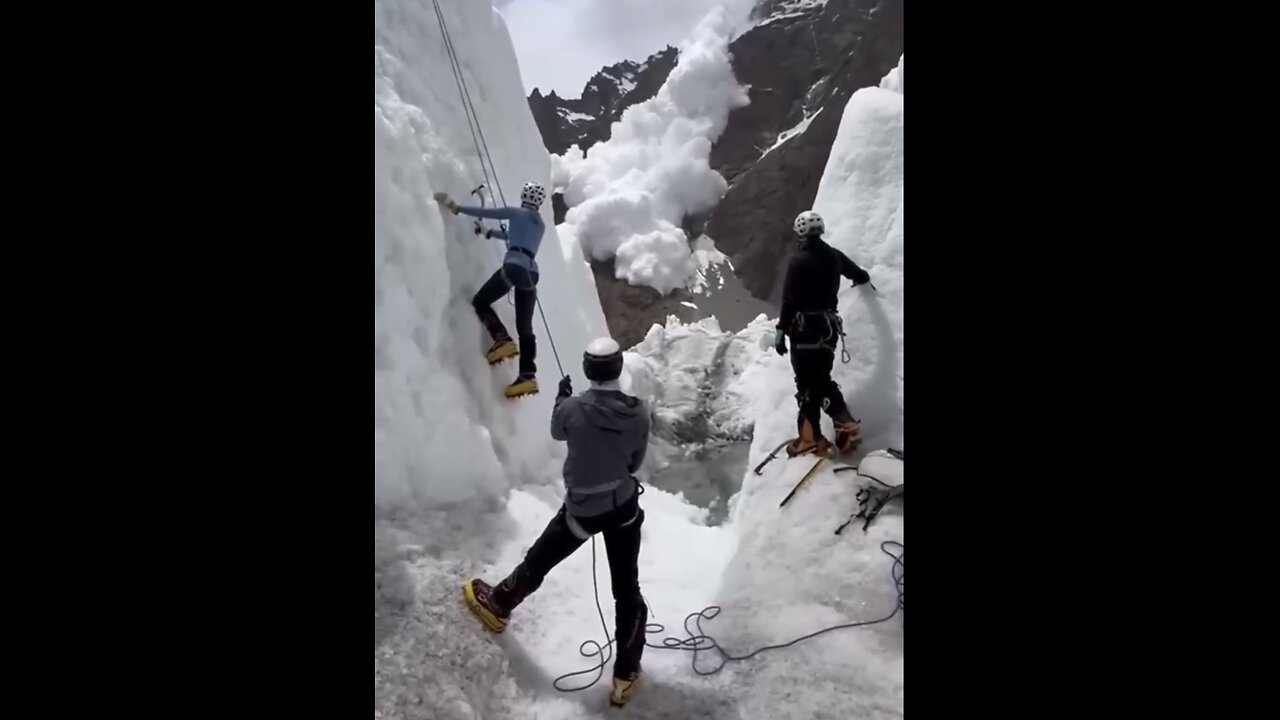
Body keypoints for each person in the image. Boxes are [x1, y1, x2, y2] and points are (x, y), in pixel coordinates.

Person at [462, 337, 651, 707]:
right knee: (627, 589)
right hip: (624, 508)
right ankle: (626, 674)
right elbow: (633, 462)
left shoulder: (574, 409)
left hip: (583, 509)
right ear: (618, 368)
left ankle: (499, 604)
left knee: (539, 559)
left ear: (586, 370)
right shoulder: (639, 412)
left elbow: (557, 429)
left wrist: (561, 398)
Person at [433, 181, 548, 398]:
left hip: (513, 266)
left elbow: (486, 212)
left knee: (480, 301)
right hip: (532, 275)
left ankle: (502, 339)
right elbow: (515, 237)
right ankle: (528, 375)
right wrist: (489, 234)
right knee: (525, 327)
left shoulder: (516, 213)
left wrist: (457, 208)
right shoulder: (539, 225)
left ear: (524, 196)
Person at [773, 210, 872, 456]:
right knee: (821, 380)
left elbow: (789, 300)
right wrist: (862, 281)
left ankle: (810, 439)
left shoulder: (798, 261)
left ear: (799, 233)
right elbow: (859, 275)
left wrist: (780, 330)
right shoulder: (834, 257)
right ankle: (845, 425)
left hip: (804, 332)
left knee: (806, 385)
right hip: (828, 331)